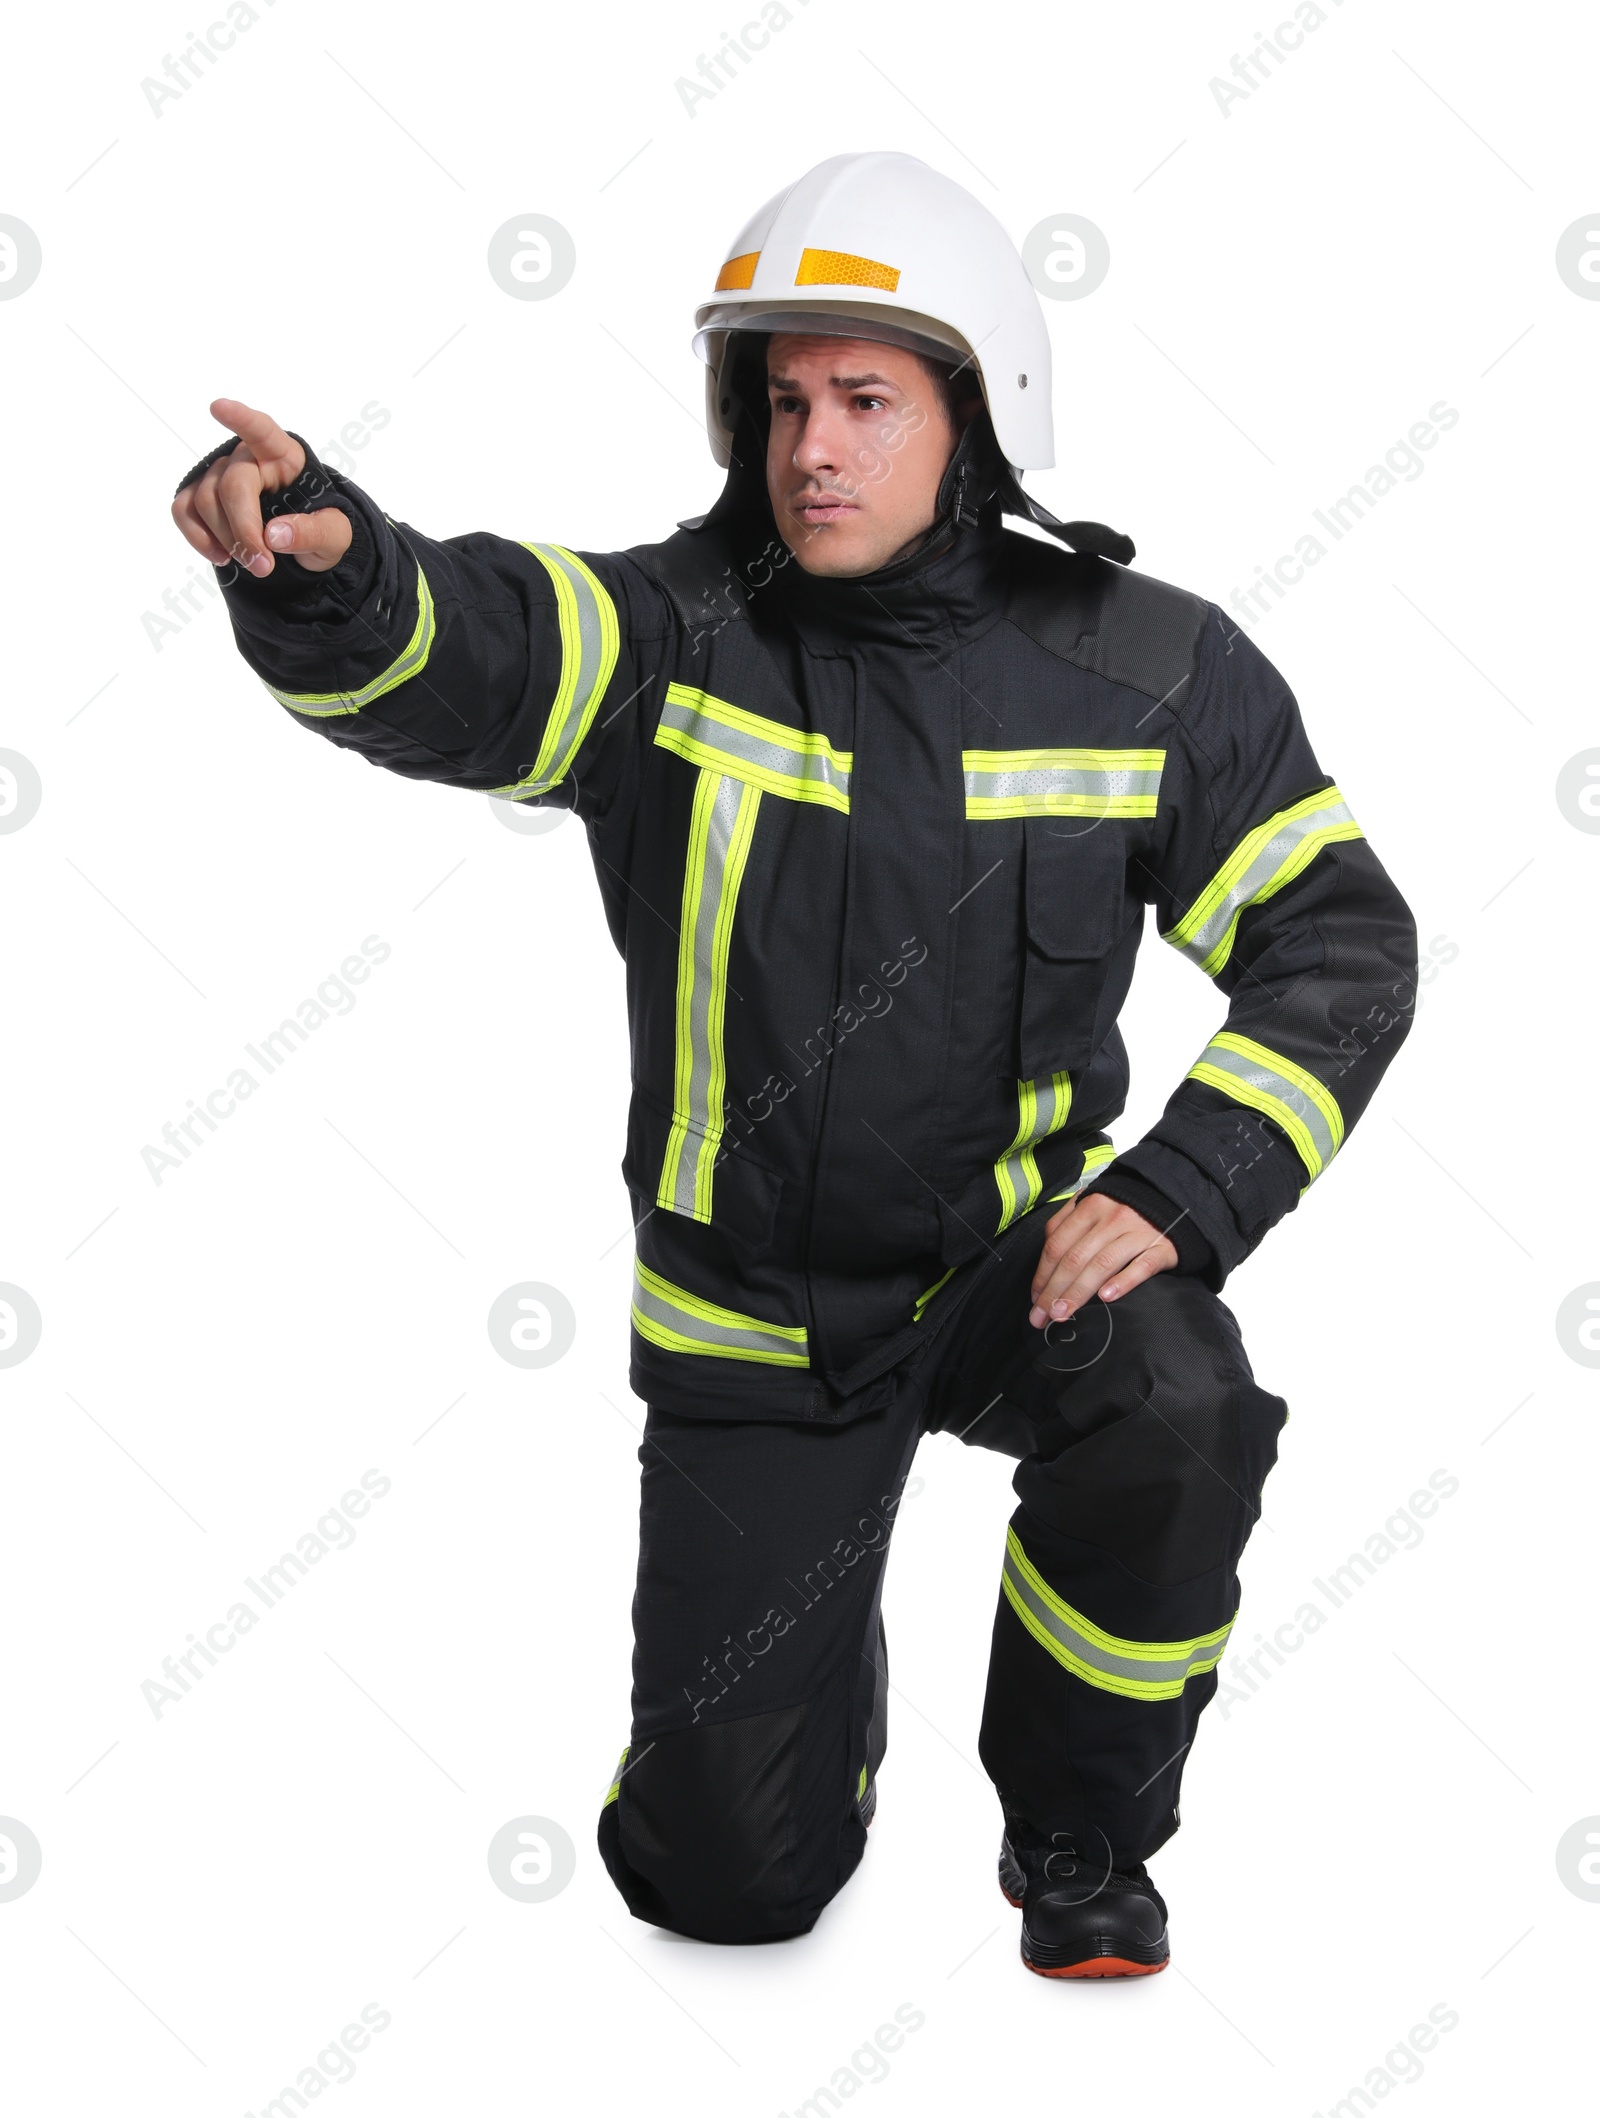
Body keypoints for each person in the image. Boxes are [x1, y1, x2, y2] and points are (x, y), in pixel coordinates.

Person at [170, 151, 1416, 1979]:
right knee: (722, 1886)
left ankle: (1077, 1819)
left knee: (1180, 1400)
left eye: (864, 401)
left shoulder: (1151, 670)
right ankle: (791, 1716)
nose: (812, 448)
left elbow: (1339, 942)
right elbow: (477, 645)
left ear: (975, 416)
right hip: (757, 1316)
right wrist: (328, 569)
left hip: (1010, 1271)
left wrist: (1179, 1186)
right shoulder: (679, 633)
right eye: (782, 403)